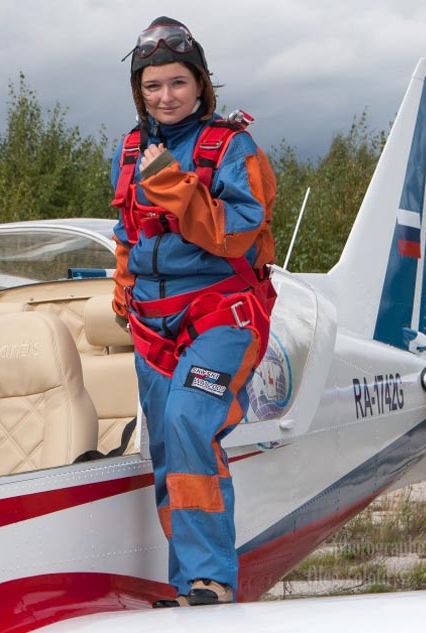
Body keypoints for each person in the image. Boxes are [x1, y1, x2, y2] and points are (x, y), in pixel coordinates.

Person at [110, 17, 277, 606]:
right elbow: (128, 229)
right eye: (152, 86)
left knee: (187, 419)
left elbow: (235, 233)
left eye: (178, 82)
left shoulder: (232, 148)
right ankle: (190, 587)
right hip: (153, 321)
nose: (166, 96)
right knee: (166, 446)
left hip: (223, 315)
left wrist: (175, 187)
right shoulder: (130, 149)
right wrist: (124, 286)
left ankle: (212, 579)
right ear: (139, 92)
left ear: (202, 84)